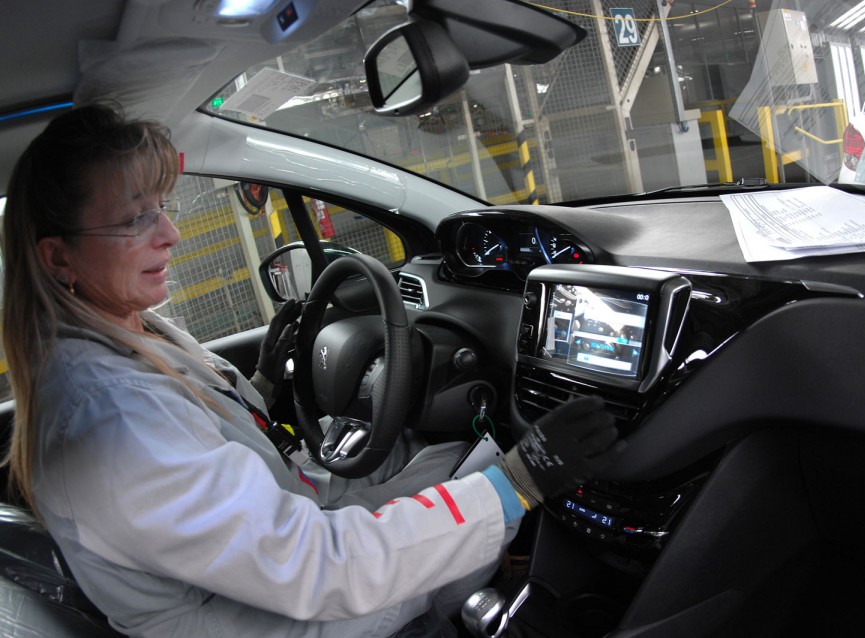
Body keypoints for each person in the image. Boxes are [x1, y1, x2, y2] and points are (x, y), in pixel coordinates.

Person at [0, 103, 624, 637]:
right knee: (509, 506)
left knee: (458, 458)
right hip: (284, 614)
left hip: (285, 561)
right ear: (58, 258)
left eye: (161, 206)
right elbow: (318, 564)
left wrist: (265, 389)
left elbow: (219, 469)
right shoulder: (111, 419)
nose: (171, 233)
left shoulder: (120, 332)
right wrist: (521, 483)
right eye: (136, 218)